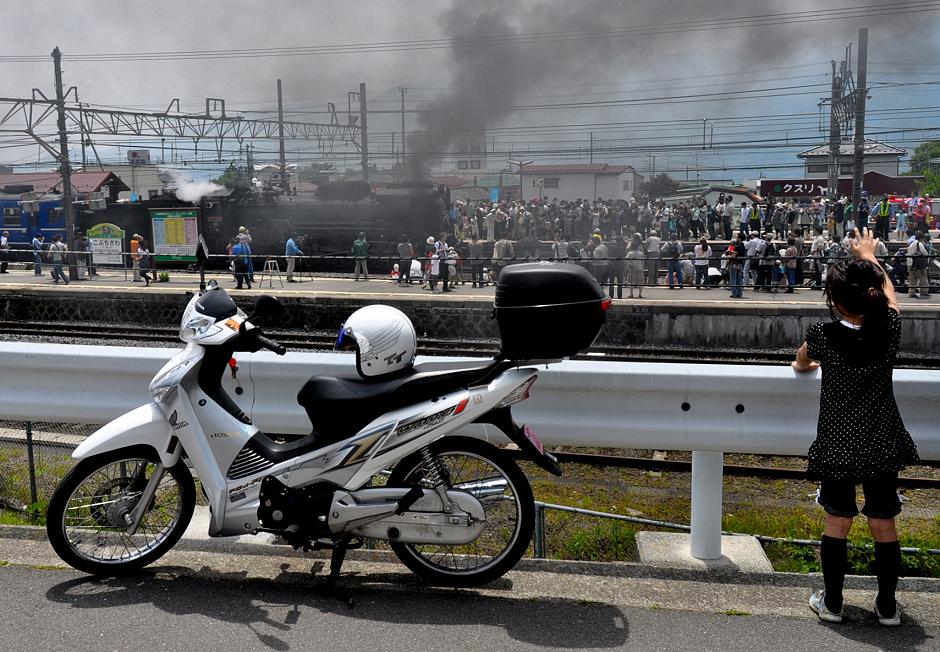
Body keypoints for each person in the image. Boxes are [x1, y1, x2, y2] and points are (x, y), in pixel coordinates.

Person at [793, 228, 919, 627]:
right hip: (882, 437)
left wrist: (808, 366)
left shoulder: (822, 335)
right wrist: (870, 257)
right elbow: (892, 298)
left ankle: (831, 603)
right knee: (884, 522)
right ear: (872, 294)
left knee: (838, 521)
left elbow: (801, 362)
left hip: (837, 441)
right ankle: (886, 607)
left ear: (834, 301)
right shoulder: (888, 331)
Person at [906, 232, 930, 298]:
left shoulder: (910, 244)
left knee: (912, 279)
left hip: (910, 263)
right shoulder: (919, 244)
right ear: (921, 238)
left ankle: (911, 292)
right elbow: (925, 253)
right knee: (923, 277)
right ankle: (924, 291)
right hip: (918, 264)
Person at [624, 233, 645, 299]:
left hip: (632, 269)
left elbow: (626, 260)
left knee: (631, 282)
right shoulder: (640, 253)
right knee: (640, 282)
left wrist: (628, 266)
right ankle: (640, 294)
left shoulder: (629, 253)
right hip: (639, 268)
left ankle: (631, 294)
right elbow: (643, 260)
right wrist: (642, 267)